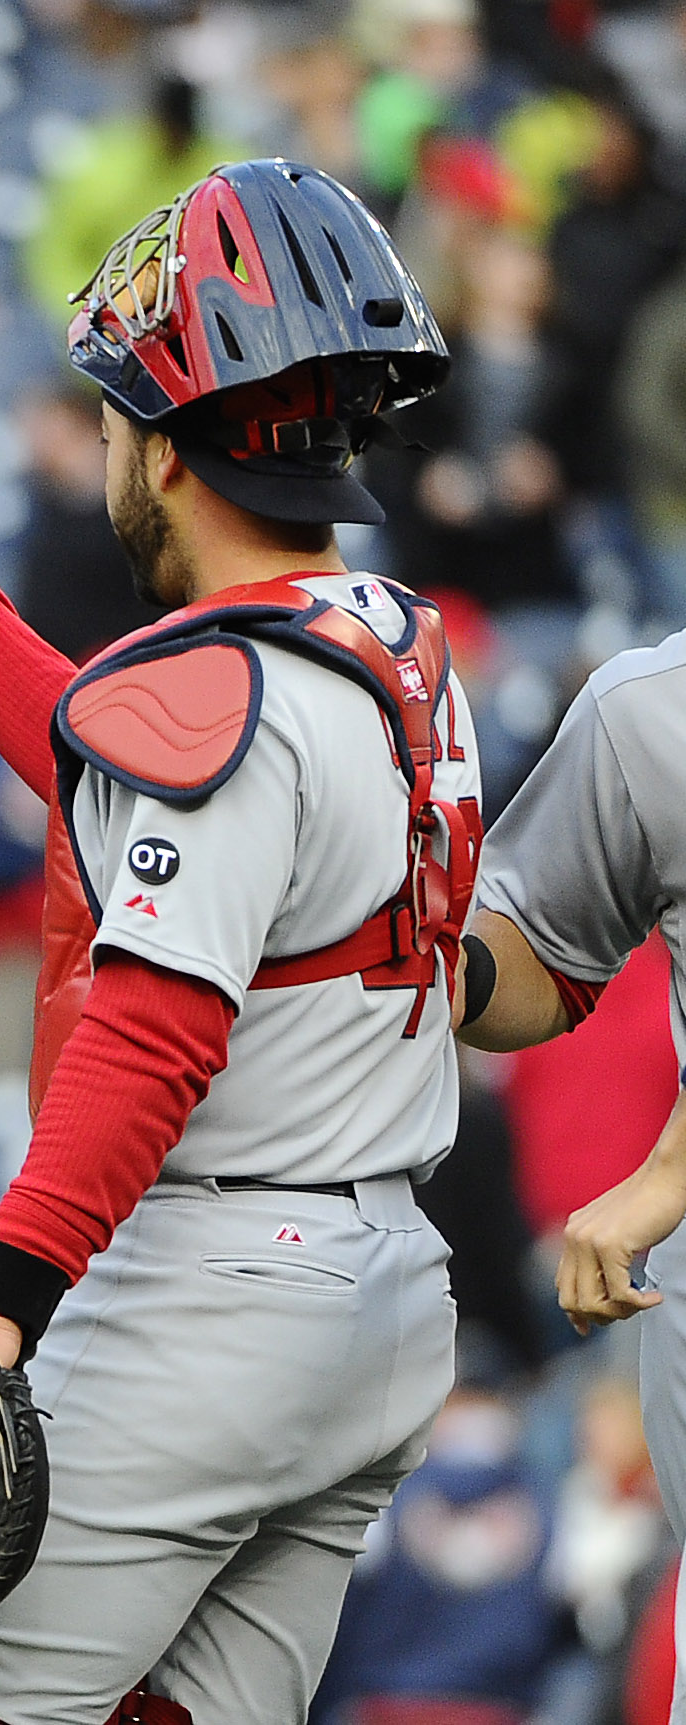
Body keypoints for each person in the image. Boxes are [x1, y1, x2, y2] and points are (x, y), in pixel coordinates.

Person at [0, 160, 480, 1723]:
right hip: (385, 1291)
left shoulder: (218, 691)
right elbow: (106, 761)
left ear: (175, 448)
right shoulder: (394, 644)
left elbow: (152, 1034)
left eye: (125, 421)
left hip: (218, 1288)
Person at [459, 492, 686, 1718]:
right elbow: (518, 982)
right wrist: (397, 938)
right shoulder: (647, 719)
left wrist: (665, 1175)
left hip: (633, 1235)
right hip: (604, 1265)